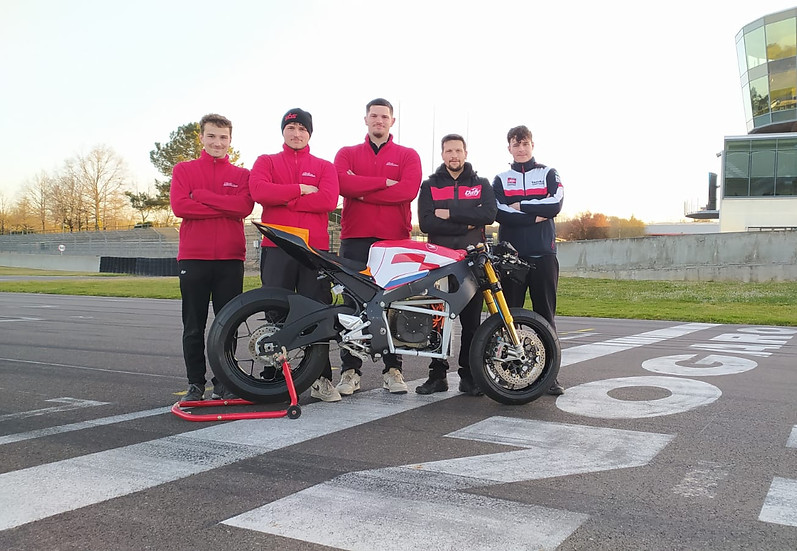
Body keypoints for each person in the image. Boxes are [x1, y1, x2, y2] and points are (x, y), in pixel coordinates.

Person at [249, 108, 342, 402]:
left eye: (302, 129)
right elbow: (260, 192)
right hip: (277, 247)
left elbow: (328, 200)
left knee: (318, 312)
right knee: (276, 313)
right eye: (291, 128)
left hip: (313, 250)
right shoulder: (266, 161)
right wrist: (301, 189)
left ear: (309, 133)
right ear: (283, 132)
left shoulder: (324, 166)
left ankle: (321, 377)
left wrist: (284, 198)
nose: (296, 133)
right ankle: (276, 376)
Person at [333, 98, 423, 395]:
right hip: (355, 239)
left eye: (384, 116)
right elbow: (343, 186)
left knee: (393, 305)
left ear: (392, 121)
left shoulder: (408, 155)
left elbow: (407, 191)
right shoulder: (346, 154)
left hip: (392, 240)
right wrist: (385, 183)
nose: (379, 121)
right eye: (374, 116)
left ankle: (393, 369)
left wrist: (363, 189)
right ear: (366, 119)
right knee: (351, 306)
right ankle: (349, 371)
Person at [170, 113, 254, 402]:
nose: (217, 142)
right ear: (202, 137)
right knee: (193, 326)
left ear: (230, 140)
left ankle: (224, 381)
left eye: (223, 137)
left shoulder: (242, 175)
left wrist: (202, 196)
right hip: (194, 258)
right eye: (211, 136)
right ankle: (195, 384)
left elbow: (243, 207)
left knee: (227, 324)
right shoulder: (184, 170)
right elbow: (181, 207)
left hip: (230, 259)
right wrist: (223, 207)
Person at [415, 134, 497, 396]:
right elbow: (427, 223)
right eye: (449, 150)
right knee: (438, 321)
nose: (454, 155)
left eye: (458, 150)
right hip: (439, 263)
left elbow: (488, 215)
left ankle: (469, 376)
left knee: (471, 322)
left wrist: (449, 214)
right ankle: (437, 376)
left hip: (471, 263)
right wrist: (468, 221)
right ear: (442, 154)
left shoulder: (481, 183)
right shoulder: (429, 186)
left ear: (465, 153)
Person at [492, 125, 565, 395]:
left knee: (545, 316)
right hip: (511, 258)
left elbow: (555, 205)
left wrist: (521, 206)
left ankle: (549, 376)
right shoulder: (500, 179)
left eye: (525, 144)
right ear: (509, 148)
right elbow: (499, 213)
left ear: (532, 145)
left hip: (544, 255)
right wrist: (536, 212)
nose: (521, 148)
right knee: (509, 317)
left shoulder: (548, 173)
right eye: (515, 144)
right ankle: (509, 373)